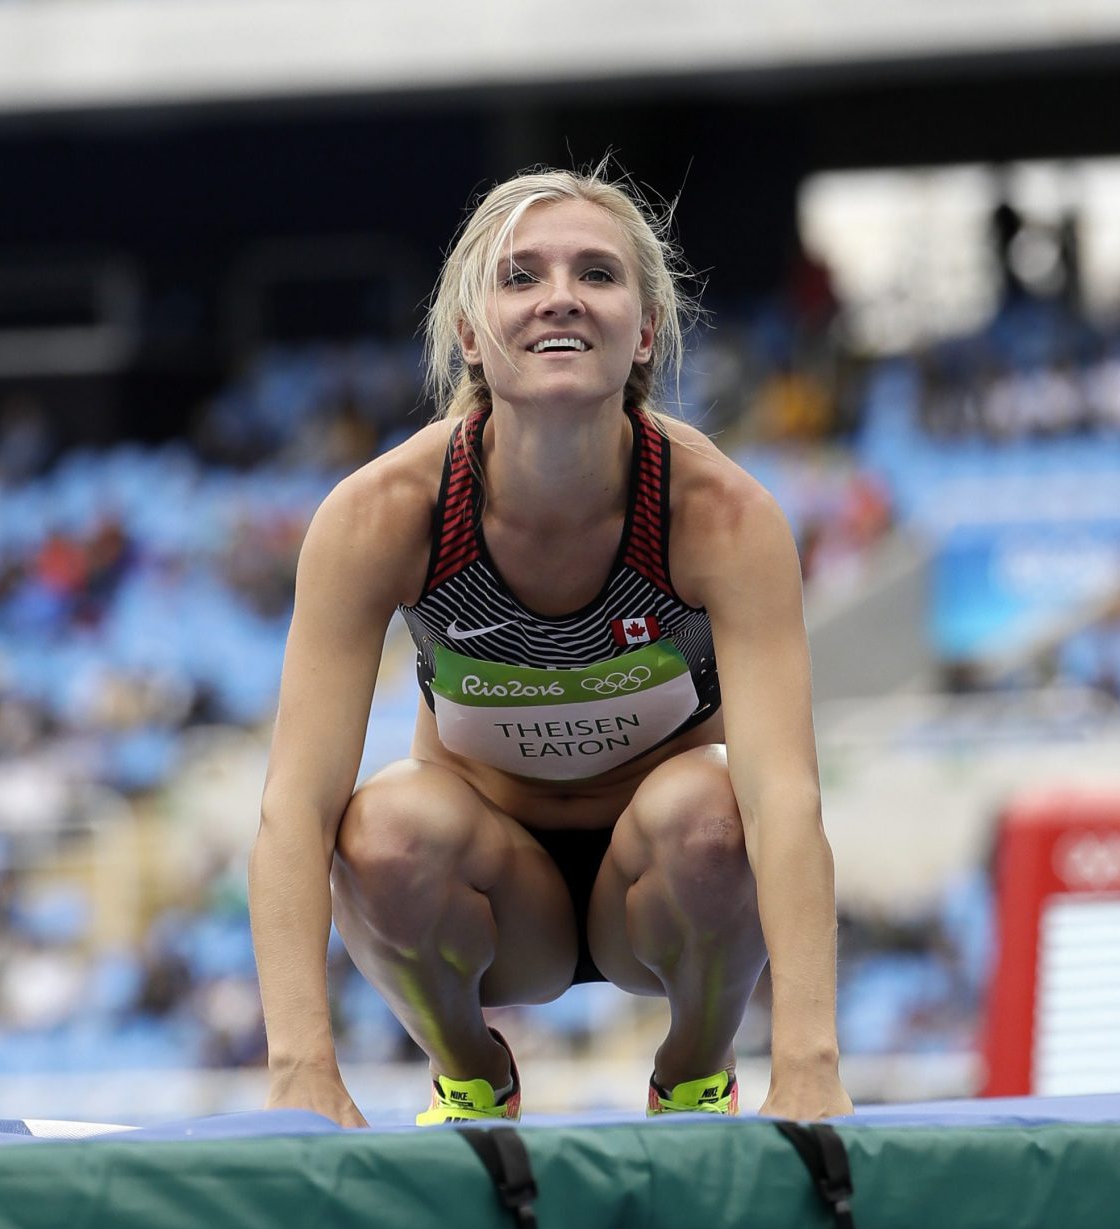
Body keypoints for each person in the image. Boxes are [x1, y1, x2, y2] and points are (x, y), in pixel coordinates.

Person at [249, 165, 851, 1127]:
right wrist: (299, 1072)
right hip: (491, 886)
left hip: (662, 887)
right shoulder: (381, 518)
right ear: (469, 336)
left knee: (715, 807)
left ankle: (695, 1069)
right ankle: (472, 1072)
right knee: (383, 831)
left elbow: (785, 799)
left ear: (646, 328)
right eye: (520, 276)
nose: (559, 296)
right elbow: (294, 807)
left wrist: (810, 1065)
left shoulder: (721, 517)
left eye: (597, 274)